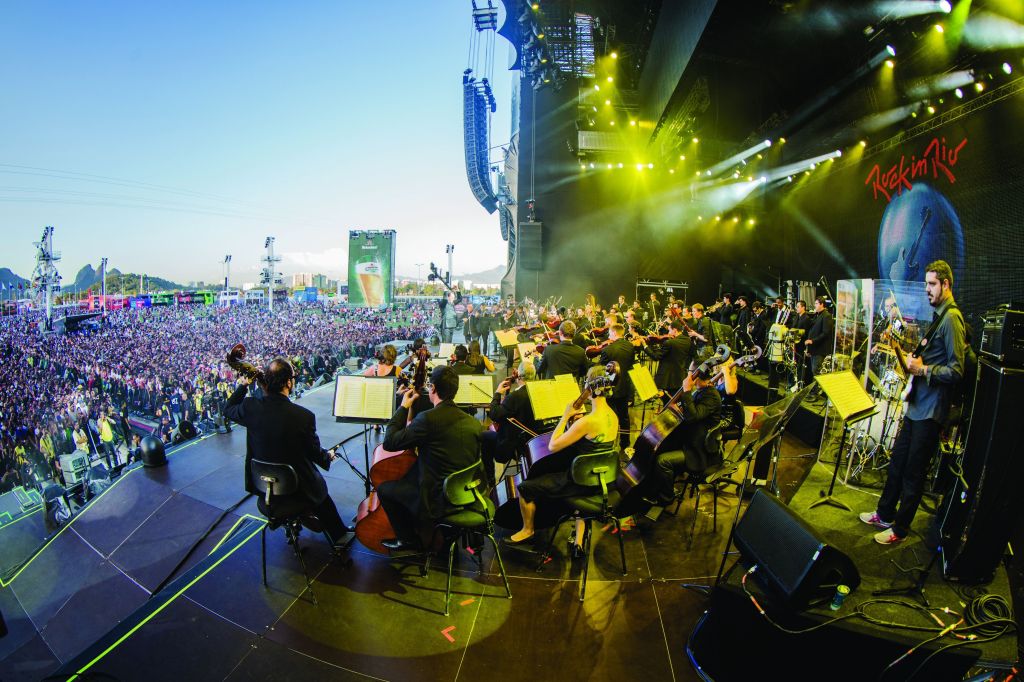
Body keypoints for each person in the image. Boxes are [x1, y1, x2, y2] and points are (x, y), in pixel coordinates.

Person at [859, 260, 966, 545]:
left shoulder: (953, 319)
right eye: (926, 284)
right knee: (897, 464)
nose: (927, 289)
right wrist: (909, 359)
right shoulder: (939, 317)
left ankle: (900, 530)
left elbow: (957, 371)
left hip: (931, 412)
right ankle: (884, 513)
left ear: (946, 284)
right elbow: (928, 358)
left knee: (913, 473)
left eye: (932, 284)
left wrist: (923, 370)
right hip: (917, 406)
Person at [224, 358, 349, 550]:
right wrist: (328, 456)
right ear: (289, 383)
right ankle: (340, 536)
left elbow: (228, 409)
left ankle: (294, 522)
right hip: (297, 491)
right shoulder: (303, 417)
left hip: (265, 490)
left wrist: (243, 385)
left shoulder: (251, 408)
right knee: (319, 487)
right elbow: (314, 454)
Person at [508, 365, 619, 546]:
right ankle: (579, 535)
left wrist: (566, 416)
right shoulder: (613, 416)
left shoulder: (587, 422)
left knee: (525, 488)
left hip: (580, 482)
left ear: (590, 387)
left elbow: (553, 445)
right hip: (603, 479)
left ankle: (527, 529)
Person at [378, 365, 483, 551]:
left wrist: (403, 407)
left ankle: (407, 539)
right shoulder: (474, 423)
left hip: (436, 499)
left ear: (432, 388)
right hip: (464, 493)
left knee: (385, 489)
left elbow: (390, 443)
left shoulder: (428, 419)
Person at [645, 363, 723, 504]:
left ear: (696, 375)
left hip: (698, 452)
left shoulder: (711, 396)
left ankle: (666, 497)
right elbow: (685, 410)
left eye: (690, 372)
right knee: (657, 451)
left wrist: (686, 391)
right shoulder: (700, 391)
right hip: (690, 442)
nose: (688, 375)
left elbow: (692, 416)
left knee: (662, 461)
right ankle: (652, 489)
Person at [483, 361, 539, 467]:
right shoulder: (539, 391)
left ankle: (490, 478)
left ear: (518, 375)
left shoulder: (516, 397)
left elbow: (494, 414)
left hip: (518, 444)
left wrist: (498, 393)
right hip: (537, 440)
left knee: (484, 436)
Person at [600, 324, 636, 449]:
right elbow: (630, 364)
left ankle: (608, 444)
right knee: (624, 417)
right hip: (625, 386)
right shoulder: (630, 346)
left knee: (609, 416)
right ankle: (625, 443)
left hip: (611, 387)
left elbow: (602, 369)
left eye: (610, 333)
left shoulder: (607, 350)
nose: (609, 336)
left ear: (614, 333)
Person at [642, 321, 693, 393]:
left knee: (668, 400)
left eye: (669, 330)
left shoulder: (669, 343)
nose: (668, 333)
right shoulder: (688, 340)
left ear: (675, 330)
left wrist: (645, 346)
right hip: (681, 376)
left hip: (668, 379)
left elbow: (655, 356)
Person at [804, 297, 834, 398]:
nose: (815, 306)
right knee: (814, 370)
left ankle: (815, 393)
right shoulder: (818, 315)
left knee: (816, 370)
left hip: (821, 349)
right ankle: (814, 391)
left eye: (816, 304)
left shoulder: (826, 316)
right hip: (815, 348)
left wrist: (812, 341)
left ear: (822, 304)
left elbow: (825, 333)